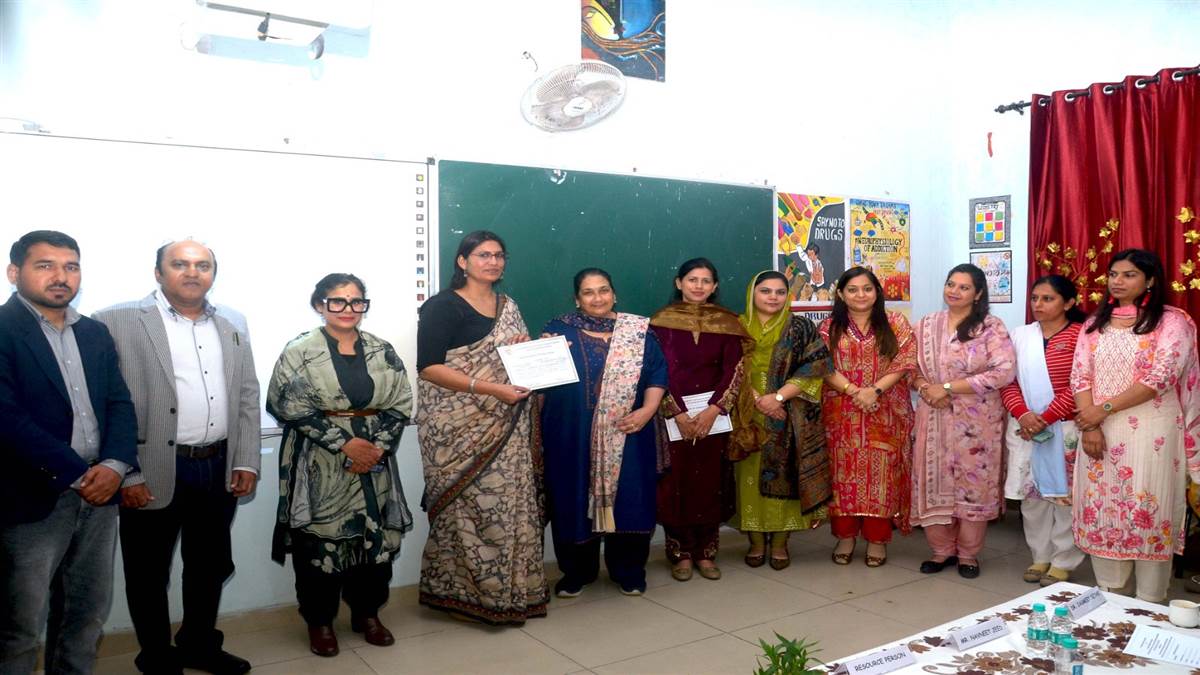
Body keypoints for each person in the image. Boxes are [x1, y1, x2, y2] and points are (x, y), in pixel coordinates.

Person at [94, 240, 259, 675]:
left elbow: (246, 393)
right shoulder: (114, 319)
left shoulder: (232, 321)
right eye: (180, 264)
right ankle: (155, 655)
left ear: (213, 274)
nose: (192, 272)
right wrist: (127, 474)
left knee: (210, 566)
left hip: (217, 466)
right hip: (148, 470)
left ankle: (199, 645)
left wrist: (245, 460)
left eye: (202, 265)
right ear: (158, 272)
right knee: (148, 573)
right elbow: (103, 404)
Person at [0, 231, 138, 674]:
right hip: (31, 497)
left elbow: (119, 403)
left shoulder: (94, 332)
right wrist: (80, 474)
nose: (61, 276)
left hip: (101, 494)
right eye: (45, 266)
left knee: (86, 612)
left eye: (70, 266)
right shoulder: (3, 329)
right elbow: (6, 417)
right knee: (19, 623)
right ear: (14, 272)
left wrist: (115, 466)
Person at [266, 274, 414, 657]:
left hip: (374, 463)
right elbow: (284, 403)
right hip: (320, 462)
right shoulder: (300, 350)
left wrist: (376, 449)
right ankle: (320, 622)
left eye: (356, 301)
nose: (348, 309)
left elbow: (400, 403)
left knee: (374, 542)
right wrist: (346, 444)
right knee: (319, 545)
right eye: (338, 301)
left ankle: (367, 614)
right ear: (320, 305)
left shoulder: (382, 349)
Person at [415, 230, 549, 624]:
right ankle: (459, 596)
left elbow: (513, 360)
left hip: (507, 425)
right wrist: (491, 388)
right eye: (483, 255)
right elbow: (429, 367)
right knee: (464, 511)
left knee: (509, 509)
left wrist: (534, 349)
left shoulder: (509, 306)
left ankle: (513, 595)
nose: (493, 262)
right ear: (463, 261)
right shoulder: (441, 306)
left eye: (498, 255)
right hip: (457, 430)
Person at [1071, 249, 1200, 602]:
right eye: (1114, 274)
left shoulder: (1172, 322)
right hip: (1098, 433)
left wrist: (1103, 410)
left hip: (1151, 433)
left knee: (1148, 510)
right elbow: (1080, 376)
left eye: (1129, 275)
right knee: (1103, 513)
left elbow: (1161, 377)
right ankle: (1110, 598)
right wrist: (1091, 426)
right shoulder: (1095, 323)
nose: (1118, 281)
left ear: (1150, 279)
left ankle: (1150, 604)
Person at [540, 268, 668, 597]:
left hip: (630, 431)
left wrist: (648, 410)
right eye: (588, 292)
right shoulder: (558, 331)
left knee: (631, 498)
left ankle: (629, 570)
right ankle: (576, 572)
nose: (597, 298)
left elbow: (657, 372)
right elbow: (539, 377)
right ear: (577, 299)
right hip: (572, 434)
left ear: (614, 294)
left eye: (604, 290)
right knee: (572, 497)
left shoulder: (637, 331)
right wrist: (537, 352)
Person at [910, 263, 1015, 579]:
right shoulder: (926, 325)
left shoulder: (990, 328)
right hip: (933, 417)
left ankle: (968, 554)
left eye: (964, 287)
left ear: (978, 293)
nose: (954, 291)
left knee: (974, 487)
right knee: (933, 481)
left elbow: (1004, 371)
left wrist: (946, 387)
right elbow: (908, 368)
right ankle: (941, 550)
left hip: (978, 423)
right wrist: (925, 388)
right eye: (950, 284)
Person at [650, 257, 748, 581]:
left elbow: (735, 369)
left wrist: (714, 409)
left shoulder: (728, 323)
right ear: (679, 283)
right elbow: (655, 369)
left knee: (710, 483)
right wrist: (677, 412)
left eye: (706, 281)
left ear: (715, 286)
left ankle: (706, 552)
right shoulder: (659, 323)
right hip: (672, 417)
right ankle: (680, 553)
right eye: (692, 279)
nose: (698, 286)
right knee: (675, 483)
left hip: (713, 418)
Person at [728, 271, 832, 571]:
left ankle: (780, 543)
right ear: (752, 293)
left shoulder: (800, 327)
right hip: (745, 414)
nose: (773, 297)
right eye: (765, 291)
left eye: (780, 292)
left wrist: (778, 398)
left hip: (789, 414)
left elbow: (816, 366)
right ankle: (756, 542)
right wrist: (756, 398)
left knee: (785, 474)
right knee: (747, 478)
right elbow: (725, 367)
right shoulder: (735, 327)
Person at [819, 267, 916, 568]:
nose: (860, 295)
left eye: (867, 288)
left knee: (882, 478)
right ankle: (845, 537)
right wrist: (853, 391)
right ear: (840, 294)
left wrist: (874, 391)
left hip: (885, 412)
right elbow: (822, 365)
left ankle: (877, 540)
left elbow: (905, 361)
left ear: (877, 292)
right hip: (841, 414)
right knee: (841, 477)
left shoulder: (896, 322)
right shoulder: (829, 327)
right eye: (852, 289)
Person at [1000, 274, 1086, 587]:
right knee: (1032, 498)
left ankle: (1064, 560)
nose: (1038, 304)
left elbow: (1080, 383)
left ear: (1069, 303)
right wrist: (1024, 415)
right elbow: (1007, 380)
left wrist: (1046, 417)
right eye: (1035, 298)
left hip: (1066, 429)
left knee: (1064, 498)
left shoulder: (1082, 336)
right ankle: (1040, 556)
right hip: (1025, 429)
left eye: (1047, 298)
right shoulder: (1020, 336)